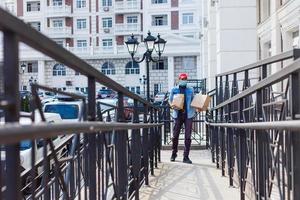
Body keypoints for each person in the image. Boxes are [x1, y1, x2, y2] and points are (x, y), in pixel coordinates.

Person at [169, 73, 195, 164]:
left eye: (185, 79)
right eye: (182, 79)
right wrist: (173, 105)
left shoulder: (190, 89)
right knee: (175, 135)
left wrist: (199, 105)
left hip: (188, 115)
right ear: (179, 79)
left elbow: (193, 101)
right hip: (177, 115)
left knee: (188, 136)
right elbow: (170, 100)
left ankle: (186, 156)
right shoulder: (174, 89)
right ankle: (174, 153)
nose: (183, 80)